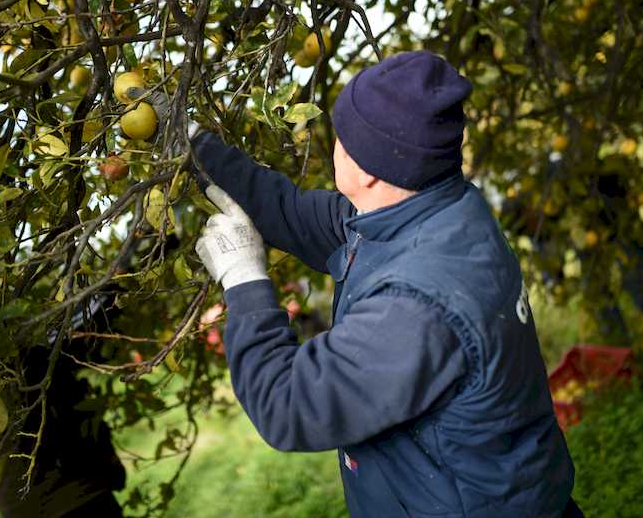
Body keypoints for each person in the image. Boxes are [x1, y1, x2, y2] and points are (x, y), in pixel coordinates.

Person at [193, 50, 581, 517]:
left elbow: (289, 405)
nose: (334, 145)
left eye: (342, 138)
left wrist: (243, 279)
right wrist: (196, 143)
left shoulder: (417, 304)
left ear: (370, 168)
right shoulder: (431, 209)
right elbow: (291, 213)